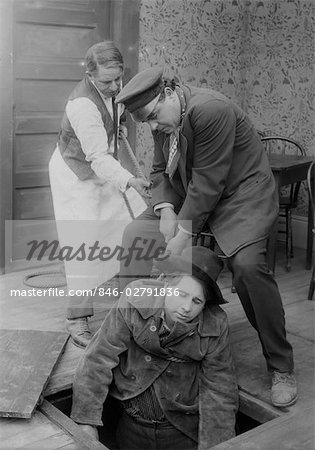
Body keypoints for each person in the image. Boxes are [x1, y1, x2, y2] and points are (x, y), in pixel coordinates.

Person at [114, 67, 297, 408]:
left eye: (154, 117)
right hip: (193, 196)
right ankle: (138, 335)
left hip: (241, 196)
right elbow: (159, 171)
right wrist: (167, 210)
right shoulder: (165, 119)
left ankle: (280, 364)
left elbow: (209, 182)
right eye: (147, 123)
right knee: (136, 233)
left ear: (170, 92)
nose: (154, 127)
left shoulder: (211, 109)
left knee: (247, 269)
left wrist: (181, 235)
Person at [70, 246, 239, 450]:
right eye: (182, 294)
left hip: (182, 430)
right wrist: (86, 421)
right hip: (132, 426)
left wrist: (216, 445)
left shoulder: (215, 323)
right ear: (166, 283)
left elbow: (219, 389)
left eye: (197, 301)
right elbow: (99, 357)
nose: (187, 308)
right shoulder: (136, 298)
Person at [48, 42, 150, 348]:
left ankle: (131, 300)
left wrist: (116, 130)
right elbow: (97, 158)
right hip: (76, 174)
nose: (115, 86)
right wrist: (130, 180)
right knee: (83, 243)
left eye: (118, 79)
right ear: (90, 75)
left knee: (131, 223)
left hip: (101, 166)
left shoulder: (114, 91)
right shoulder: (81, 105)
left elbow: (110, 129)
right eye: (106, 82)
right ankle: (76, 318)